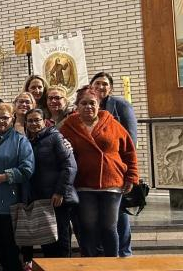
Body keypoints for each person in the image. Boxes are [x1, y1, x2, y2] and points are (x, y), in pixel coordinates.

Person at [59, 86, 138, 257]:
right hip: (84, 184)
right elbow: (60, 152)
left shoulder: (112, 124)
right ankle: (90, 262)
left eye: (92, 103)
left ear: (99, 105)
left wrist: (131, 176)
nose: (88, 106)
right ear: (77, 106)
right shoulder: (68, 126)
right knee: (88, 226)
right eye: (84, 103)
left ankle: (112, 262)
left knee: (109, 226)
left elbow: (129, 151)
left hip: (112, 184)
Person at [90, 71, 138, 257]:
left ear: (110, 88)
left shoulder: (120, 105)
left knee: (118, 214)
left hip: (116, 170)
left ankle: (124, 252)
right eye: (97, 83)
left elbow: (130, 141)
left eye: (105, 84)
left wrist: (129, 172)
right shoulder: (86, 106)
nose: (101, 87)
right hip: (93, 174)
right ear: (91, 86)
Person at [0, 102, 34, 271]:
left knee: (10, 248)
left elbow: (27, 170)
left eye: (5, 118)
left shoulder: (20, 140)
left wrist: (4, 177)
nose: (1, 121)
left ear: (12, 119)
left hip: (11, 204)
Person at [23, 109, 78, 259]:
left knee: (61, 240)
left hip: (57, 199)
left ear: (44, 121)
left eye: (37, 120)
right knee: (47, 241)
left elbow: (69, 166)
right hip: (40, 199)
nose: (34, 123)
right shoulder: (28, 141)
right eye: (30, 121)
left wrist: (60, 192)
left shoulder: (56, 138)